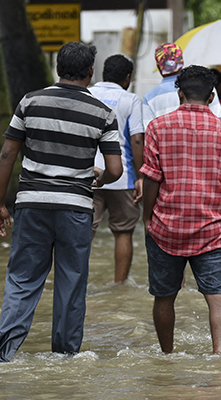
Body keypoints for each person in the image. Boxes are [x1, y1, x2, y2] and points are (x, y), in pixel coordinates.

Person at [0, 42, 123, 362]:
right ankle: (65, 358)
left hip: (31, 203)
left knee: (22, 279)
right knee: (71, 281)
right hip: (75, 208)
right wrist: (99, 178)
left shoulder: (30, 102)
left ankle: (4, 353)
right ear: (90, 72)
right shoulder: (103, 113)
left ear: (58, 69)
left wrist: (0, 203)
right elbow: (115, 170)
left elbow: (7, 154)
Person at [140, 66, 221, 354]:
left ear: (180, 93)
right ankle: (219, 355)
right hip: (211, 227)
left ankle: (167, 355)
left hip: (165, 227)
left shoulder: (157, 127)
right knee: (218, 297)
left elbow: (151, 179)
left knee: (164, 297)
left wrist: (147, 217)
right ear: (212, 97)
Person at [89, 54, 144, 284]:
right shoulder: (131, 99)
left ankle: (79, 284)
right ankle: (119, 285)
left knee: (83, 234)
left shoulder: (87, 93)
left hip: (88, 174)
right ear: (127, 77)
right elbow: (137, 140)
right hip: (122, 176)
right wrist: (141, 176)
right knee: (123, 232)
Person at [142, 43, 221, 129]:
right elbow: (219, 121)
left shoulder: (150, 97)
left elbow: (148, 131)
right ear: (182, 62)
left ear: (158, 66)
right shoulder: (204, 85)